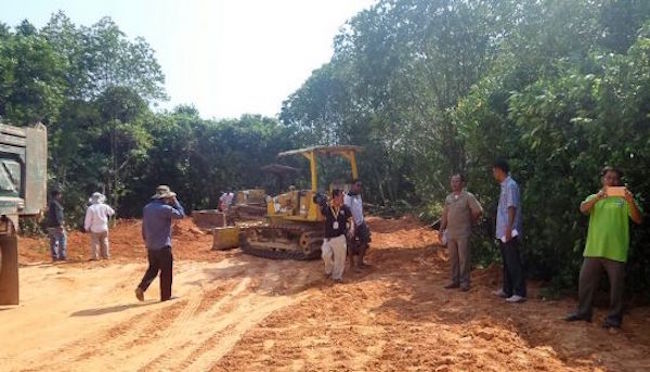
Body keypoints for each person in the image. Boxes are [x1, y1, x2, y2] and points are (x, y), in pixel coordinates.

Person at [565, 166, 643, 328]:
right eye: (608, 178)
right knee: (585, 281)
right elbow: (583, 208)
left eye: (615, 178)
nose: (612, 181)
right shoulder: (595, 197)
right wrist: (599, 197)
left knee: (617, 287)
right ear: (603, 180)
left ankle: (614, 318)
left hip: (616, 250)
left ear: (619, 181)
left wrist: (630, 200)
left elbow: (638, 219)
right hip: (594, 248)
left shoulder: (624, 199)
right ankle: (583, 312)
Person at [135, 185, 185, 302]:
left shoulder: (147, 208)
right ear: (165, 197)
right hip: (163, 245)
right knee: (166, 271)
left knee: (153, 269)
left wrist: (146, 240)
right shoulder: (165, 209)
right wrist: (175, 201)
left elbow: (144, 226)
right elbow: (181, 215)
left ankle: (141, 288)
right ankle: (165, 297)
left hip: (151, 245)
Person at [439, 174, 483, 291]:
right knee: (453, 258)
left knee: (464, 258)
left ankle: (465, 282)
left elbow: (478, 210)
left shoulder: (468, 196)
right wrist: (441, 229)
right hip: (451, 233)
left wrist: (471, 221)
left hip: (463, 232)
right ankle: (454, 280)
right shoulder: (448, 198)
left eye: (457, 181)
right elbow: (445, 215)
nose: (454, 184)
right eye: (452, 181)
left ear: (462, 183)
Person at [491, 159, 526, 303]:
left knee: (513, 261)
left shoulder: (511, 185)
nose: (493, 174)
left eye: (494, 171)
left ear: (499, 170)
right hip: (503, 230)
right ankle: (507, 289)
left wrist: (509, 228)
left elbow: (512, 207)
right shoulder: (504, 186)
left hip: (509, 230)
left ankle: (519, 292)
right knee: (506, 261)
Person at [316, 189, 354, 283]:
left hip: (340, 237)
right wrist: (319, 206)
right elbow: (320, 218)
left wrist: (352, 228)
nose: (343, 198)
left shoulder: (345, 208)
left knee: (340, 258)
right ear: (336, 197)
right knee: (325, 255)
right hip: (328, 238)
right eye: (342, 196)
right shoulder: (328, 208)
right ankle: (329, 270)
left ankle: (337, 276)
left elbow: (350, 220)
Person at [344, 179, 371, 271]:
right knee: (351, 244)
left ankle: (360, 262)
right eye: (358, 185)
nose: (359, 187)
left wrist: (363, 219)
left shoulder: (359, 196)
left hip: (361, 222)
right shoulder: (348, 197)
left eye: (360, 185)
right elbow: (347, 212)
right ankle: (352, 265)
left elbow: (359, 208)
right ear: (352, 185)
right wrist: (352, 225)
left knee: (365, 241)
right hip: (352, 224)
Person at [84, 192, 115, 260]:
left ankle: (95, 257)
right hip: (104, 227)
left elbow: (88, 219)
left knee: (95, 242)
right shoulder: (105, 206)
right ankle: (106, 255)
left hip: (95, 228)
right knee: (105, 241)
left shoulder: (91, 208)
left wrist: (87, 227)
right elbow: (112, 212)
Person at [47, 189, 67, 262]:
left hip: (50, 225)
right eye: (59, 195)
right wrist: (60, 224)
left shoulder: (50, 203)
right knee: (62, 239)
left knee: (53, 241)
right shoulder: (55, 204)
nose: (60, 196)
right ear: (57, 195)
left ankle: (55, 257)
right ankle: (62, 256)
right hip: (56, 225)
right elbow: (57, 215)